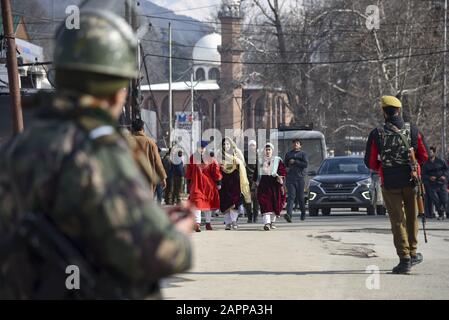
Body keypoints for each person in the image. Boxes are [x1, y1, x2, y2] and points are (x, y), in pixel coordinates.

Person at [0, 7, 194, 299]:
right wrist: (177, 232)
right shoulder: (97, 151)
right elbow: (161, 254)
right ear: (117, 90)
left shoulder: (17, 147)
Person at [364, 95, 428, 274]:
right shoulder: (413, 130)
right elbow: (423, 156)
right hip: (412, 180)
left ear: (384, 112)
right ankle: (413, 253)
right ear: (398, 110)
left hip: (390, 182)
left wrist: (383, 167)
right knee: (412, 218)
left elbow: (369, 161)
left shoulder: (377, 133)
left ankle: (404, 259)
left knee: (398, 221)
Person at [185, 141, 222, 232]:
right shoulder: (192, 158)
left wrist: (218, 182)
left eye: (203, 147)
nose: (201, 149)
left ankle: (208, 223)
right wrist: (188, 183)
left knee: (208, 204)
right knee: (197, 203)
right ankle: (197, 223)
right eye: (200, 147)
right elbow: (189, 171)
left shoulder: (211, 158)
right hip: (196, 184)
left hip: (208, 185)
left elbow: (216, 171)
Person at [218, 137, 251, 230]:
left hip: (235, 179)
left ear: (231, 144)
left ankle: (234, 221)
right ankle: (227, 223)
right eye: (224, 144)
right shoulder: (219, 154)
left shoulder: (236, 152)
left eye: (228, 144)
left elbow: (243, 164)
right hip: (224, 180)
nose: (226, 146)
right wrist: (220, 167)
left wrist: (237, 161)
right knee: (225, 201)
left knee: (234, 200)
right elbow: (216, 167)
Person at [254, 143, 287, 231]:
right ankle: (267, 223)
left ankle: (272, 222)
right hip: (264, 185)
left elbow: (282, 171)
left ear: (272, 151)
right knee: (265, 203)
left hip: (275, 185)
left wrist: (279, 177)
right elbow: (256, 173)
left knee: (275, 204)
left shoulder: (277, 160)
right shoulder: (260, 161)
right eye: (266, 150)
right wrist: (255, 183)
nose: (268, 151)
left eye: (269, 150)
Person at [132, 119, 167, 191]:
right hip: (147, 179)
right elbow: (157, 161)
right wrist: (163, 177)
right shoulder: (150, 142)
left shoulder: (126, 141)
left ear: (132, 128)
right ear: (142, 128)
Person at [284, 138, 308, 222]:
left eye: (297, 143)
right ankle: (289, 215)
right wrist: (286, 169)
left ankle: (303, 213)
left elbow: (305, 164)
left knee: (300, 197)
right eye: (294, 143)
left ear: (300, 145)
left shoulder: (303, 154)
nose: (295, 144)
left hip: (300, 178)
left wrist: (295, 162)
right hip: (290, 178)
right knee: (291, 197)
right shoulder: (288, 154)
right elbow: (285, 165)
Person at [422, 146, 448, 220]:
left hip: (441, 183)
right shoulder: (426, 164)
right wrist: (429, 178)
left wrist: (444, 176)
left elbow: (447, 170)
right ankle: (440, 214)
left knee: (444, 200)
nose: (429, 154)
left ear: (434, 152)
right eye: (428, 152)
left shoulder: (441, 161)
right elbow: (423, 174)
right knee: (436, 200)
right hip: (432, 185)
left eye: (430, 152)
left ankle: (443, 211)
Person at [244, 140, 259, 223]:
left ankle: (255, 217)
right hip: (246, 180)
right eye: (250, 145)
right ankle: (249, 217)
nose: (252, 147)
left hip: (255, 180)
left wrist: (257, 181)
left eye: (253, 145)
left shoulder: (258, 156)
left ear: (256, 146)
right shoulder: (245, 155)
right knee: (247, 200)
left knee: (256, 200)